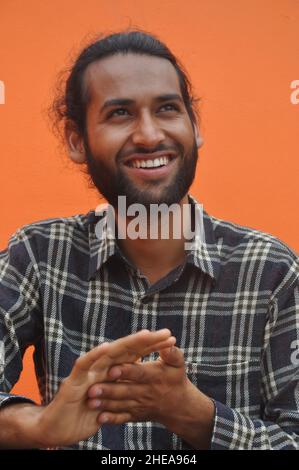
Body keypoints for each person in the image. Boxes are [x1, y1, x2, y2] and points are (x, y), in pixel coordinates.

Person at [0, 30, 298, 450]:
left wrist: (196, 416)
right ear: (76, 140)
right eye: (120, 113)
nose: (148, 134)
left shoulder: (271, 270)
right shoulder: (38, 255)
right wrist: (37, 425)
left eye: (168, 109)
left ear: (195, 127)